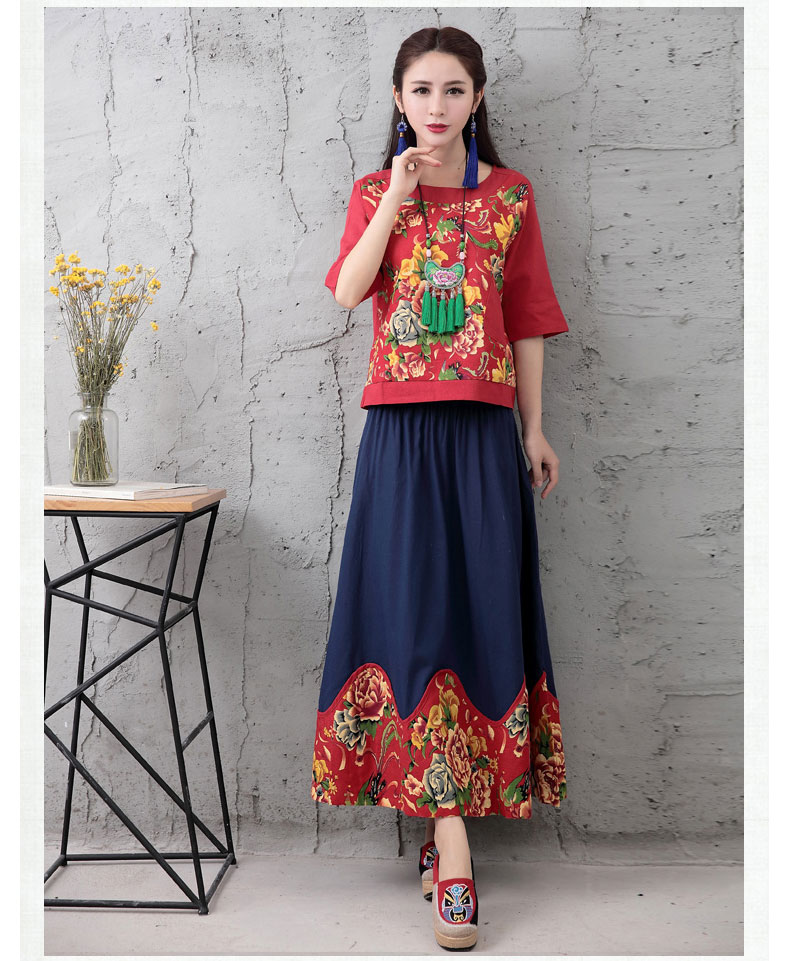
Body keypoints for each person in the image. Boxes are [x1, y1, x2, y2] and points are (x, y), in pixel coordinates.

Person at [310, 25, 568, 951]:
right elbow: (349, 292)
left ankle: (444, 827)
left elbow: (526, 317)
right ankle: (452, 845)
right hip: (402, 438)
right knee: (413, 616)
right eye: (421, 90)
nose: (437, 106)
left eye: (454, 90)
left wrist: (532, 429)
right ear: (399, 99)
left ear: (477, 98)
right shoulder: (374, 192)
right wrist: (397, 194)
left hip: (484, 436)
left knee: (478, 612)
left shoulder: (511, 196)